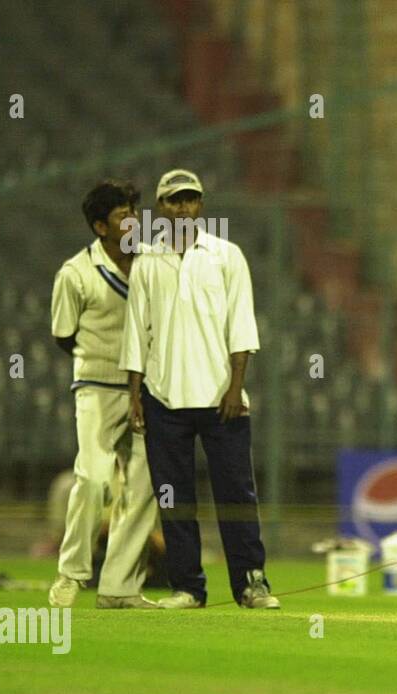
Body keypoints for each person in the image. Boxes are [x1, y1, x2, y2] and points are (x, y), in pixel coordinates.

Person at [120, 169, 279, 609]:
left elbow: (241, 326)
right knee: (174, 501)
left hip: (220, 400)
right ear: (160, 209)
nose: (183, 207)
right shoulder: (146, 262)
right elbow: (136, 332)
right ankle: (188, 587)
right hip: (163, 397)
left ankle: (251, 583)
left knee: (236, 498)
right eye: (173, 201)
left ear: (201, 206)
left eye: (190, 199)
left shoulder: (226, 255)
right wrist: (134, 395)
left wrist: (236, 388)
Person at [48, 180, 159, 609]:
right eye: (121, 215)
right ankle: (70, 575)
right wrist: (102, 359)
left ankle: (120, 586)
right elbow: (63, 336)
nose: (132, 219)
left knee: (144, 486)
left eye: (134, 210)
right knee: (93, 480)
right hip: (96, 388)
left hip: (147, 389)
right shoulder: (75, 273)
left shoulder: (153, 264)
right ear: (100, 227)